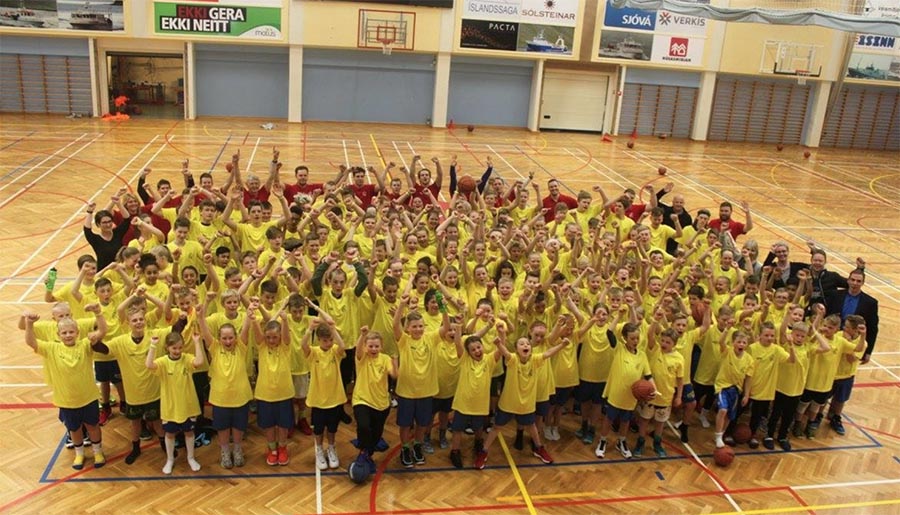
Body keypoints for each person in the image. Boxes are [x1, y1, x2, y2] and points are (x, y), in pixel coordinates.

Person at [24, 308, 108, 470]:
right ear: (58, 335)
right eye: (64, 333)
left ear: (77, 333)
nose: (68, 335)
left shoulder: (85, 345)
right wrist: (29, 324)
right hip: (66, 400)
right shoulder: (52, 349)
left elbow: (103, 331)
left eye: (71, 332)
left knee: (93, 426)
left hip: (88, 397)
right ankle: (79, 454)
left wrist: (98, 313)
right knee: (74, 429)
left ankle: (98, 452)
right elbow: (31, 342)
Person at [475, 332, 569, 469]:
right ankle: (483, 451)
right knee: (497, 427)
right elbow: (505, 353)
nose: (525, 345)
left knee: (532, 426)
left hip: (526, 404)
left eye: (527, 344)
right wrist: (498, 344)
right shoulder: (512, 359)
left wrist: (562, 345)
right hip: (508, 404)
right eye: (521, 344)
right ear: (516, 349)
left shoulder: (535, 360)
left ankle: (538, 448)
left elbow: (548, 353)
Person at [198, 303, 253, 469]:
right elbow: (205, 332)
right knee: (222, 427)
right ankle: (224, 451)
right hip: (220, 398)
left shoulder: (241, 348)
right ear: (219, 338)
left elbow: (245, 329)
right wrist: (200, 317)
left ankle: (237, 449)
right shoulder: (214, 348)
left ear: (235, 337)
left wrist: (249, 314)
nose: (228, 341)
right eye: (224, 338)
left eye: (230, 337)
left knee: (238, 426)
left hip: (240, 396)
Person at [146, 332, 205, 474]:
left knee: (189, 432)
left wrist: (197, 342)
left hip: (188, 405)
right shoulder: (163, 362)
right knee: (170, 434)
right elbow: (149, 365)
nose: (177, 351)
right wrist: (153, 345)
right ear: (167, 347)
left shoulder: (187, 359)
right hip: (170, 407)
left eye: (180, 348)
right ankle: (170, 459)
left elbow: (199, 362)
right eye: (174, 348)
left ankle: (191, 457)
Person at [596, 322, 654, 459]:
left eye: (637, 338)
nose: (635, 341)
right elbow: (609, 333)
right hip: (616, 394)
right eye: (632, 338)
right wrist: (618, 316)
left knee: (625, 421)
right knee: (609, 419)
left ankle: (621, 441)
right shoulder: (619, 349)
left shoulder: (642, 355)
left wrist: (653, 390)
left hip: (631, 396)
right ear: (625, 338)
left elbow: (648, 376)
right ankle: (602, 441)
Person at [350, 328, 398, 480]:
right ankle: (364, 452)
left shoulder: (385, 359)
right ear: (365, 347)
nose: (373, 349)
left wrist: (395, 363)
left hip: (382, 403)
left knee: (376, 433)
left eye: (376, 346)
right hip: (362, 399)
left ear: (381, 346)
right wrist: (362, 335)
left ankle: (367, 453)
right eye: (370, 346)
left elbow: (394, 375)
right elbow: (358, 350)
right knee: (364, 426)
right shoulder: (362, 357)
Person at [302, 317, 347, 471]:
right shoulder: (314, 352)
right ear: (319, 340)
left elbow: (342, 346)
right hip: (318, 399)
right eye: (325, 340)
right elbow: (303, 345)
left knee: (332, 428)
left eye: (330, 340)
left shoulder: (335, 351)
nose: (328, 343)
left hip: (335, 398)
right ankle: (319, 449)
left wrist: (333, 329)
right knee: (319, 429)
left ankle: (332, 448)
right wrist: (310, 329)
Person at [825, 268, 879, 363]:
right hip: (833, 339)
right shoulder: (835, 295)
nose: (855, 283)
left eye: (858, 281)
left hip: (853, 342)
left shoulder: (870, 303)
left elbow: (872, 329)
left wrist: (868, 352)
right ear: (848, 280)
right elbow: (827, 317)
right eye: (853, 280)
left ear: (863, 283)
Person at [713, 328, 755, 448]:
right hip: (722, 387)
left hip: (736, 390)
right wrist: (727, 329)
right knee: (723, 410)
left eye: (744, 342)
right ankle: (717, 436)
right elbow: (721, 342)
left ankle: (721, 434)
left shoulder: (749, 360)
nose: (741, 344)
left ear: (747, 345)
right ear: (733, 343)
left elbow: (748, 379)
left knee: (729, 415)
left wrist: (746, 395)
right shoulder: (728, 351)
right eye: (739, 342)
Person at [83, 202, 132, 270]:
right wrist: (90, 212)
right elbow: (87, 230)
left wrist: (118, 204)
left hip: (120, 271)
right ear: (98, 224)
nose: (108, 225)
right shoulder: (95, 240)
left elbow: (127, 219)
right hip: (104, 272)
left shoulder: (118, 233)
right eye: (104, 222)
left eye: (109, 221)